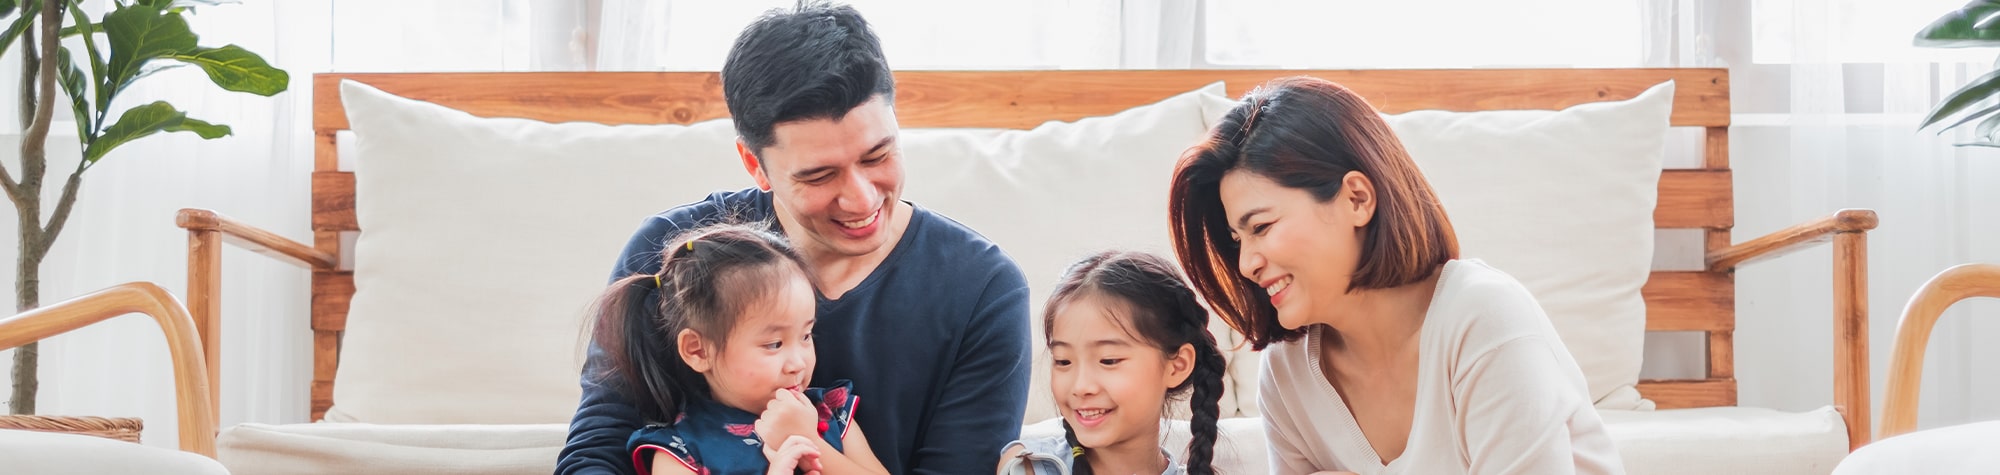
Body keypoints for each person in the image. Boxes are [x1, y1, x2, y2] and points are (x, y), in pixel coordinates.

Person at [557, 3, 1033, 474]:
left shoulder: (982, 287)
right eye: (820, 175)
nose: (861, 199)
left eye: (877, 156)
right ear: (754, 165)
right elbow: (598, 447)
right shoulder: (676, 251)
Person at [1165, 76, 1624, 474]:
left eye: (1262, 227)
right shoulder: (1288, 373)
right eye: (1238, 239)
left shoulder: (1483, 322)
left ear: (1357, 199)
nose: (1246, 264)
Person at [593, 225, 887, 474]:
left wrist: (812, 440)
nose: (798, 363)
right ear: (697, 351)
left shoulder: (828, 412)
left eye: (806, 335)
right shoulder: (680, 452)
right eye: (774, 344)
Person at [997, 251, 1228, 475]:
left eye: (1108, 360)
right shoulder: (1028, 466)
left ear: (1177, 365)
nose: (1081, 387)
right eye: (1063, 361)